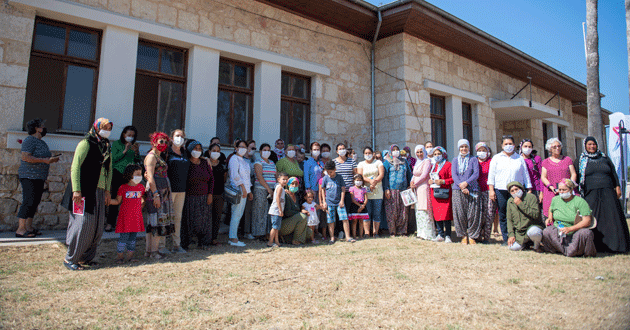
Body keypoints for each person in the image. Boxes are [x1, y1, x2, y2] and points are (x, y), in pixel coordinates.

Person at [62, 118, 113, 270]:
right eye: (104, 127)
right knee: (83, 225)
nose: (107, 130)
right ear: (96, 128)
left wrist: (108, 190)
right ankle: (71, 259)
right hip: (84, 191)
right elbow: (75, 166)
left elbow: (108, 169)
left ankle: (87, 258)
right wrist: (76, 190)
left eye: (109, 128)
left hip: (99, 191)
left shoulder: (106, 145)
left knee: (97, 227)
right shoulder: (85, 143)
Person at [575, 137, 630, 253]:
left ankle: (617, 246)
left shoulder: (604, 157)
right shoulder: (580, 160)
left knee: (612, 218)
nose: (592, 146)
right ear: (585, 145)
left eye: (594, 144)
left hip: (608, 192)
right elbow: (576, 177)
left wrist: (617, 187)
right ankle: (597, 246)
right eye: (589, 144)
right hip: (591, 194)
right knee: (594, 219)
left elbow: (613, 173)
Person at [16, 118, 59, 238]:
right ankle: (20, 229)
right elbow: (25, 157)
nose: (44, 128)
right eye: (42, 126)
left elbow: (44, 158)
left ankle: (29, 227)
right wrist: (44, 160)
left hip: (39, 177)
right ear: (37, 128)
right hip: (29, 176)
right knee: (28, 201)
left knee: (34, 202)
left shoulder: (42, 142)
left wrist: (51, 159)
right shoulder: (29, 140)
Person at [487, 135, 532, 243]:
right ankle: (506, 238)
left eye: (510, 144)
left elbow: (525, 174)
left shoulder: (519, 158)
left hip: (516, 190)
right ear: (502, 145)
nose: (508, 146)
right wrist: (491, 190)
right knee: (503, 214)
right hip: (500, 189)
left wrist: (529, 188)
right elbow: (491, 175)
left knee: (517, 213)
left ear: (514, 145)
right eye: (506, 144)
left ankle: (518, 237)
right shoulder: (496, 158)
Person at [541, 179, 596, 257]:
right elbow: (551, 208)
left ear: (571, 189)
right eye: (560, 190)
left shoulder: (580, 201)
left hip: (575, 230)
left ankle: (577, 251)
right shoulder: (555, 200)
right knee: (546, 231)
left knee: (586, 233)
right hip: (559, 229)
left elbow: (587, 221)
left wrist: (570, 229)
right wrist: (549, 218)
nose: (561, 192)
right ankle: (557, 250)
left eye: (564, 190)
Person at [143, 132, 175, 259]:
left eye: (166, 142)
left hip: (164, 192)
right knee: (155, 220)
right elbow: (150, 177)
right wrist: (156, 194)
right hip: (156, 193)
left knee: (157, 221)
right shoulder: (151, 157)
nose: (163, 144)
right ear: (154, 142)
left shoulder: (159, 156)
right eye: (161, 141)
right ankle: (153, 251)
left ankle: (150, 251)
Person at [180, 140, 214, 250]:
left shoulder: (205, 162)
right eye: (195, 149)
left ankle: (204, 242)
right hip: (190, 197)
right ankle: (187, 243)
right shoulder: (186, 163)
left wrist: (210, 194)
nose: (197, 151)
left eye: (199, 149)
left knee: (205, 221)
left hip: (204, 197)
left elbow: (211, 179)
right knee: (189, 221)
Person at [108, 164, 144, 263]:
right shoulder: (123, 188)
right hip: (125, 218)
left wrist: (143, 202)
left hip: (136, 218)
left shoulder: (141, 188)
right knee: (123, 238)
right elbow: (117, 201)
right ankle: (119, 257)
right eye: (137, 174)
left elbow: (142, 199)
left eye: (140, 174)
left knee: (133, 239)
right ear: (130, 175)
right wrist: (108, 201)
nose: (139, 176)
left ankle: (130, 257)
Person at [106, 125, 140, 233]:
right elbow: (113, 159)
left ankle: (126, 224)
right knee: (115, 198)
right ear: (124, 134)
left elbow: (137, 160)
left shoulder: (134, 145)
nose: (130, 137)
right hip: (117, 173)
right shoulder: (116, 144)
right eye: (129, 135)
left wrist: (136, 152)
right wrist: (124, 151)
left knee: (129, 200)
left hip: (129, 176)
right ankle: (110, 223)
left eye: (133, 136)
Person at [451, 139, 481, 244]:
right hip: (458, 189)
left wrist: (466, 183)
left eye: (465, 147)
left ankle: (472, 236)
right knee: (460, 213)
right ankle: (463, 235)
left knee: (473, 213)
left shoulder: (473, 159)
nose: (464, 149)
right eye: (461, 147)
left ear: (469, 148)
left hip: (472, 189)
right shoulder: (455, 160)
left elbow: (476, 174)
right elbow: (454, 174)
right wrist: (461, 186)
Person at [164, 129, 189, 254]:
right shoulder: (166, 152)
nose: (180, 138)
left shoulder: (185, 152)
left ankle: (176, 245)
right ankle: (161, 246)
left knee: (177, 218)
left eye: (182, 136)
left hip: (182, 190)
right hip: (168, 190)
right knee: (165, 217)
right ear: (171, 137)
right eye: (177, 135)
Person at [541, 138, 577, 220]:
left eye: (559, 146)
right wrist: (551, 187)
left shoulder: (567, 159)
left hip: (567, 191)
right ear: (550, 149)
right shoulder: (546, 162)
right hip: (552, 192)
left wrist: (569, 186)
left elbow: (573, 173)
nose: (557, 148)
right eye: (554, 147)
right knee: (552, 215)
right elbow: (543, 177)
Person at [227, 140, 253, 247]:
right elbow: (234, 175)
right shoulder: (234, 159)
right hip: (239, 190)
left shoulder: (244, 161)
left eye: (245, 147)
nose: (243, 149)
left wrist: (249, 191)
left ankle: (234, 236)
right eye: (240, 146)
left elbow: (247, 178)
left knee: (239, 214)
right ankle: (233, 238)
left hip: (245, 191)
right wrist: (243, 188)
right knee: (236, 214)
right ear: (236, 148)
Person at [382, 144, 412, 236]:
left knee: (403, 211)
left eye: (397, 149)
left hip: (403, 190)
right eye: (393, 150)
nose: (396, 151)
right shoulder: (387, 162)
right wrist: (386, 189)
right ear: (390, 151)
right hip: (392, 190)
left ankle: (402, 231)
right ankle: (392, 231)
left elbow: (409, 174)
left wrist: (409, 185)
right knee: (392, 211)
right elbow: (385, 176)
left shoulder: (404, 161)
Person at [506, 181, 543, 251]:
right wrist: (511, 235)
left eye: (516, 189)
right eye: (512, 191)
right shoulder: (510, 201)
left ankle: (537, 246)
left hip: (532, 227)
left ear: (521, 189)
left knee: (534, 232)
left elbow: (535, 215)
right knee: (512, 247)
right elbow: (509, 220)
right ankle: (526, 244)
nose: (515, 192)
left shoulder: (531, 197)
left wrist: (520, 204)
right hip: (520, 233)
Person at [321, 160, 351, 243]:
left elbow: (343, 189)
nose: (329, 174)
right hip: (329, 202)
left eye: (331, 172)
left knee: (344, 218)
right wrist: (324, 201)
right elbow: (322, 190)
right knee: (330, 221)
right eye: (328, 172)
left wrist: (342, 200)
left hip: (339, 202)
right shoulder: (325, 178)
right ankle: (332, 237)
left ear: (335, 169)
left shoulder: (339, 177)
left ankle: (348, 237)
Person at [357, 147, 385, 238]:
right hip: (365, 192)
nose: (367, 154)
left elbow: (381, 174)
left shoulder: (378, 162)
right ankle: (367, 233)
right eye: (366, 153)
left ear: (373, 154)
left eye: (369, 153)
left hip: (377, 191)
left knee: (377, 213)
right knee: (367, 213)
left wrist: (374, 182)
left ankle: (375, 232)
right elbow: (360, 175)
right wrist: (370, 181)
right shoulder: (361, 164)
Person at [429, 147, 453, 242]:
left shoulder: (448, 164)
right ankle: (440, 234)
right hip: (435, 193)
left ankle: (448, 235)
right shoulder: (433, 165)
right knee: (437, 213)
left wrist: (443, 181)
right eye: (434, 154)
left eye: (438, 153)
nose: (436, 156)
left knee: (446, 214)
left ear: (443, 154)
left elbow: (452, 179)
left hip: (445, 192)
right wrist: (430, 181)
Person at [410, 145, 434, 240]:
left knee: (425, 210)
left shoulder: (427, 161)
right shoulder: (417, 163)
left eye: (421, 152)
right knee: (418, 210)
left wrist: (414, 183)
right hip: (416, 188)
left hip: (423, 187)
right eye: (418, 152)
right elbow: (414, 174)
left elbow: (424, 175)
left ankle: (427, 233)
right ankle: (420, 233)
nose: (419, 154)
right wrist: (411, 182)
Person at [252, 143, 276, 238]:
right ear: (260, 151)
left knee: (269, 212)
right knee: (259, 211)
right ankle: (258, 233)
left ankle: (267, 233)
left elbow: (276, 175)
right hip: (261, 189)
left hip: (272, 190)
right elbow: (259, 177)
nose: (267, 152)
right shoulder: (258, 162)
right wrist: (268, 189)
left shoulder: (272, 163)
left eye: (268, 150)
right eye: (264, 150)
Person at [475, 142, 496, 243]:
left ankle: (486, 237)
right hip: (477, 191)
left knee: (489, 214)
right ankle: (478, 235)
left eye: (484, 150)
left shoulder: (491, 161)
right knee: (478, 213)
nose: (482, 152)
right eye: (479, 150)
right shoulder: (474, 161)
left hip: (489, 191)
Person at [281, 177, 311, 245]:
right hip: (284, 224)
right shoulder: (285, 195)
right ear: (288, 185)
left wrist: (303, 210)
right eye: (292, 184)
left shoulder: (297, 196)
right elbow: (287, 212)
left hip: (293, 223)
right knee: (302, 217)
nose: (294, 186)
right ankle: (296, 241)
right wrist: (300, 213)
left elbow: (298, 209)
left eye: (296, 184)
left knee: (309, 232)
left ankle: (288, 239)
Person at [207, 142, 227, 246]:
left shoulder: (222, 165)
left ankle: (214, 238)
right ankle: (206, 238)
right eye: (214, 151)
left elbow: (224, 178)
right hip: (207, 195)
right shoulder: (206, 163)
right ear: (209, 152)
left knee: (217, 217)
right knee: (207, 217)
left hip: (219, 194)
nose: (216, 153)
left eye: (218, 151)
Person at [241, 139, 257, 240]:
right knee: (246, 210)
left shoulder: (254, 159)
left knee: (250, 209)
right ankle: (246, 231)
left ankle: (249, 230)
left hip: (253, 184)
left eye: (254, 148)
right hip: (244, 186)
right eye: (251, 148)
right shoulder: (241, 159)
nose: (253, 150)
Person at [520, 139, 543, 205]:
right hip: (521, 189)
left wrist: (541, 192)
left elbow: (541, 176)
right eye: (525, 146)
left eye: (529, 147)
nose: (527, 148)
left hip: (535, 188)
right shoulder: (517, 159)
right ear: (521, 147)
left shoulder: (536, 159)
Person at [268, 172, 288, 247]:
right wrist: (280, 210)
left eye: (286, 179)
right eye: (283, 179)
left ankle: (276, 242)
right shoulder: (279, 188)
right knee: (274, 227)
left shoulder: (281, 187)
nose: (285, 181)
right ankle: (270, 242)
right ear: (278, 180)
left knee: (277, 227)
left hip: (277, 210)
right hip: (276, 210)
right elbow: (277, 198)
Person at [348, 174, 369, 238]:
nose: (359, 181)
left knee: (361, 221)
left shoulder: (364, 189)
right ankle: (354, 236)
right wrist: (360, 206)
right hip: (355, 205)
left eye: (360, 180)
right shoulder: (352, 188)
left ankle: (361, 235)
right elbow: (353, 199)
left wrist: (363, 205)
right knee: (354, 221)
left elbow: (366, 198)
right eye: (357, 180)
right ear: (354, 180)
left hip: (362, 205)